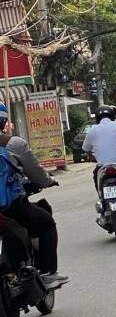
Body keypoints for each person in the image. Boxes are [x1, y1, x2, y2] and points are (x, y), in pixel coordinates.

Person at [0, 103, 62, 281]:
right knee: (46, 223)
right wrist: (48, 181)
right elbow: (37, 175)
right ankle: (48, 273)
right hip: (10, 207)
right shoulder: (13, 144)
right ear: (4, 121)